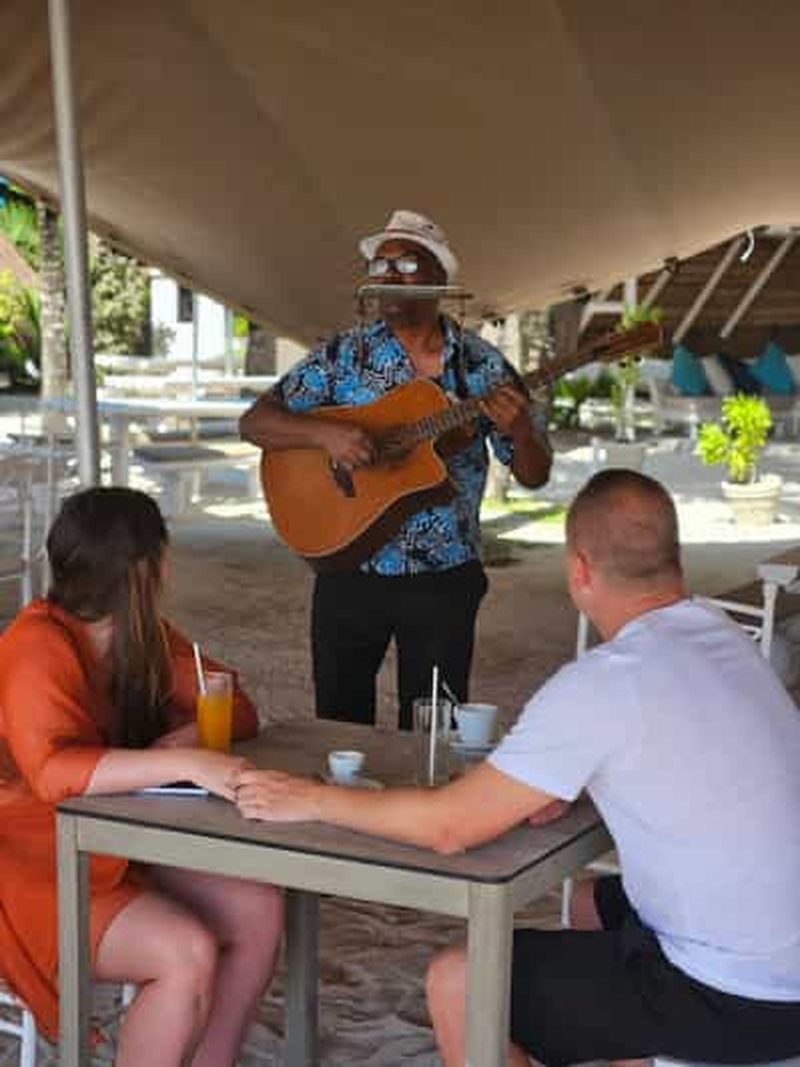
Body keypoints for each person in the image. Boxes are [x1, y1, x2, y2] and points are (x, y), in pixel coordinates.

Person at [235, 469, 800, 1066]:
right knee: (587, 905)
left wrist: (312, 798)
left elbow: (448, 827)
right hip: (781, 957)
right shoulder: (723, 636)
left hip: (737, 995)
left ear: (579, 570)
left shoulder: (604, 682)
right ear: (674, 560)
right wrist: (572, 786)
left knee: (460, 981)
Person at [0, 487, 283, 1067]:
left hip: (111, 841)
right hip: (28, 861)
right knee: (185, 951)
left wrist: (186, 738)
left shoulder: (142, 637)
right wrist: (183, 762)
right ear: (146, 569)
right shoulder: (37, 644)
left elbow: (236, 705)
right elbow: (52, 774)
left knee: (258, 908)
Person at [240, 209, 552, 729]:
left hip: (444, 576)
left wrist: (520, 430)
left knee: (433, 733)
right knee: (339, 728)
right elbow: (255, 423)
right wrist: (326, 435)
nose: (387, 275)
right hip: (347, 565)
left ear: (439, 280)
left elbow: (534, 475)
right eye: (379, 266)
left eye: (405, 264)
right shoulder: (343, 355)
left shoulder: (482, 368)